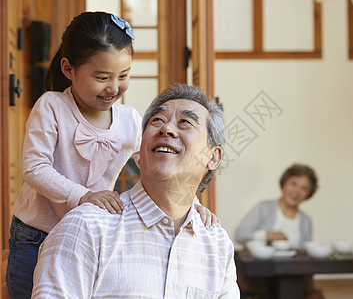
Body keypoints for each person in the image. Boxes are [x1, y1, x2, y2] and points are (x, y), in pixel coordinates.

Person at [7, 12, 216, 299]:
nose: (114, 87)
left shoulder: (129, 120)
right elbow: (34, 167)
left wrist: (190, 202)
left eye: (124, 75)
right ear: (68, 69)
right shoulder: (52, 106)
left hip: (90, 234)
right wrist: (82, 196)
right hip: (36, 232)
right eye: (102, 77)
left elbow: (157, 165)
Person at [31, 84, 240, 298]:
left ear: (213, 157)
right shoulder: (86, 227)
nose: (166, 129)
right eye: (157, 120)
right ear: (139, 154)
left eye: (185, 122)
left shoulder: (217, 244)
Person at [235, 163, 323, 299]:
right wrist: (268, 235)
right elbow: (240, 234)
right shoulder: (263, 208)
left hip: (293, 275)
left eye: (304, 188)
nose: (297, 191)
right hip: (261, 277)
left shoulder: (306, 220)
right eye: (293, 184)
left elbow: (305, 254)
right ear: (284, 185)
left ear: (308, 194)